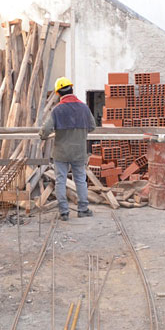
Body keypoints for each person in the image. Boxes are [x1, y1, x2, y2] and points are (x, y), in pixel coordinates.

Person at [39, 76, 96, 221]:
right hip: (79, 152)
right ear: (72, 89)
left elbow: (44, 131)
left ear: (58, 93)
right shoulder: (84, 108)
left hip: (61, 153)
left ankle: (64, 212)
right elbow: (92, 127)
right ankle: (83, 209)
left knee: (60, 181)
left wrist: (44, 136)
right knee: (80, 180)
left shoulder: (57, 110)